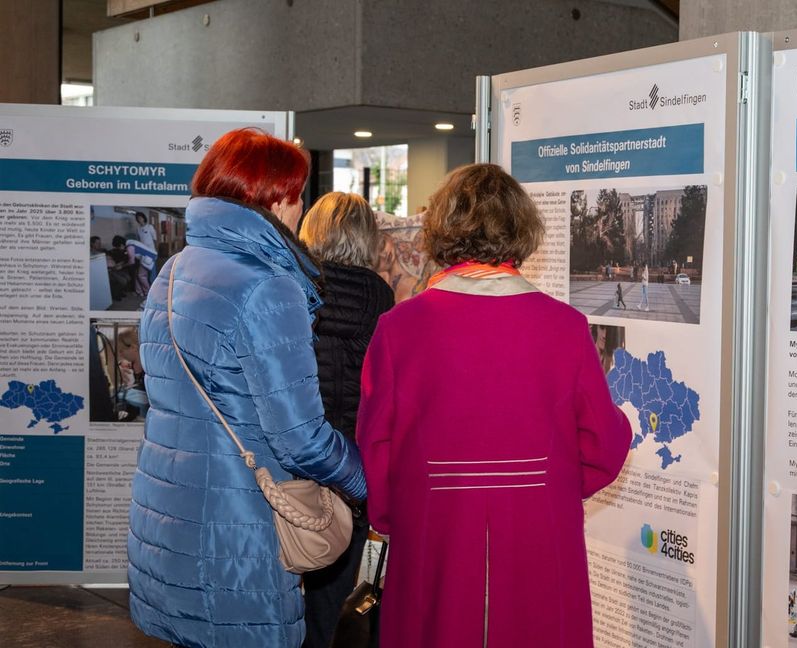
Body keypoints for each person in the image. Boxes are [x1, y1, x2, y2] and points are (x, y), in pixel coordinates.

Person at [356, 163, 631, 647]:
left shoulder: (399, 329)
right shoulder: (564, 327)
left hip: (434, 536)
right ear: (521, 230)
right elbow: (604, 448)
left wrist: (397, 514)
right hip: (538, 536)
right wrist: (553, 488)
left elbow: (376, 448)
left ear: (443, 228)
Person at [127, 128, 367, 648]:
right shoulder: (266, 284)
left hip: (167, 517)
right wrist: (367, 481)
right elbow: (300, 437)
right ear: (275, 198)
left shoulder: (173, 271)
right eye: (298, 193)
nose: (300, 207)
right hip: (235, 533)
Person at [297, 192, 395, 648]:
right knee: (365, 589)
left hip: (303, 458)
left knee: (307, 583)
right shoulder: (380, 298)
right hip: (360, 466)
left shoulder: (294, 291)